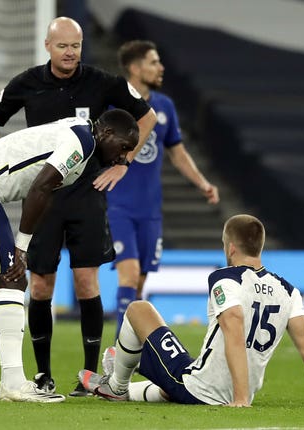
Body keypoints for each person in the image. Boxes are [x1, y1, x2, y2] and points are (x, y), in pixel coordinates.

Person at [0, 16, 156, 397]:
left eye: (75, 45)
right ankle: (43, 375)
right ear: (47, 46)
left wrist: (121, 165)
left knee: (86, 282)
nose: (70, 52)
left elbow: (147, 116)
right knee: (41, 285)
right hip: (43, 196)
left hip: (86, 195)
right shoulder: (27, 82)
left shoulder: (101, 81)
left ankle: (89, 376)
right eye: (62, 46)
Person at [0, 109, 140, 403]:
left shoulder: (82, 134)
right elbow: (41, 188)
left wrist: (22, 246)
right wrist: (21, 249)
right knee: (12, 279)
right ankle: (12, 384)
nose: (123, 158)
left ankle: (11, 382)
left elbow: (43, 190)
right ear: (107, 133)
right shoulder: (82, 142)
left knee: (10, 280)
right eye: (123, 147)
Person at [79, 214, 304, 407]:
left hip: (205, 388)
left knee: (139, 309)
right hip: (229, 388)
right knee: (177, 378)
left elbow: (233, 327)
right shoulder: (288, 290)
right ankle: (123, 382)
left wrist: (240, 400)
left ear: (231, 248)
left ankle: (117, 385)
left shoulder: (226, 278)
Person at [108, 40, 219, 340]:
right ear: (135, 68)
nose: (161, 67)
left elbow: (177, 153)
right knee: (128, 276)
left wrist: (203, 183)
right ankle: (117, 356)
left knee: (139, 284)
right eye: (153, 62)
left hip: (149, 209)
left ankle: (128, 354)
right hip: (116, 204)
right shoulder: (111, 105)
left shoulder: (164, 106)